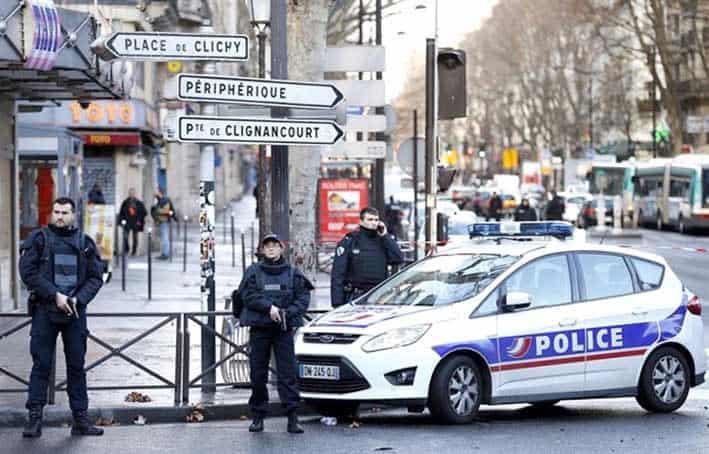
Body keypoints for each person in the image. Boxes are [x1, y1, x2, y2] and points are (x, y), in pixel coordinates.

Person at [19, 197, 105, 438]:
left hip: (75, 313)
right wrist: (54, 295)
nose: (59, 216)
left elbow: (95, 278)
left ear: (73, 215)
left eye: (64, 212)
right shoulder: (39, 239)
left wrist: (78, 300)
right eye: (56, 211)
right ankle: (34, 419)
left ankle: (80, 420)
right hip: (45, 311)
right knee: (41, 366)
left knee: (76, 368)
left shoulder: (85, 243)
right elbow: (27, 271)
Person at [237, 234, 313, 434]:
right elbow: (247, 295)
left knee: (288, 374)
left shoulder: (291, 272)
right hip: (260, 329)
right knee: (258, 374)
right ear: (262, 250)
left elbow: (303, 297)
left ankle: (292, 417)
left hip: (283, 329)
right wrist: (268, 307)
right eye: (267, 246)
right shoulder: (253, 271)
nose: (271, 249)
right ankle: (258, 417)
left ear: (281, 248)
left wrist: (288, 313)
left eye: (274, 245)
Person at [331, 207, 404, 308]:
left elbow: (398, 259)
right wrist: (337, 303)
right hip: (357, 296)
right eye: (370, 219)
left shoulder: (383, 240)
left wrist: (385, 236)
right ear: (361, 221)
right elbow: (338, 273)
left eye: (376, 220)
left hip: (380, 296)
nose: (374, 223)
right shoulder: (350, 241)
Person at [118, 188, 147, 256]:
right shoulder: (125, 202)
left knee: (135, 238)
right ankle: (126, 249)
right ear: (129, 194)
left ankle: (134, 251)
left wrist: (139, 220)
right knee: (125, 236)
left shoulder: (138, 203)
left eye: (133, 193)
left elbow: (144, 212)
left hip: (135, 222)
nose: (131, 194)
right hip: (127, 222)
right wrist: (122, 221)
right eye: (130, 193)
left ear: (134, 194)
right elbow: (121, 213)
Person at [151, 188, 176, 260]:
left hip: (164, 221)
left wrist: (157, 210)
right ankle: (164, 253)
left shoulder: (165, 200)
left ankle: (165, 254)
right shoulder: (159, 199)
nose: (155, 193)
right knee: (163, 237)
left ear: (159, 192)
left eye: (156, 192)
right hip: (161, 221)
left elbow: (166, 210)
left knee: (165, 238)